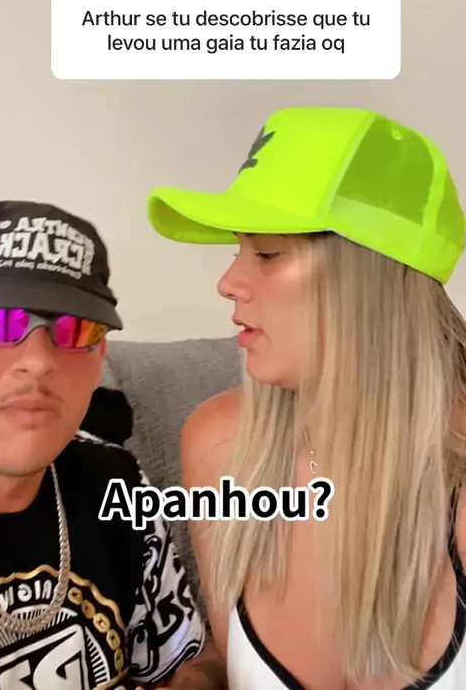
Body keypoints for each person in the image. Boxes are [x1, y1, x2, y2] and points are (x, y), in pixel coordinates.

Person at [146, 107, 466, 690]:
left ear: (371, 277)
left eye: (267, 253)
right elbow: (226, 657)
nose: (228, 282)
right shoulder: (220, 449)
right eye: (237, 250)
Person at [0, 199, 225, 690]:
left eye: (74, 330)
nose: (38, 361)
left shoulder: (116, 480)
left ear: (100, 358)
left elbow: (188, 665)